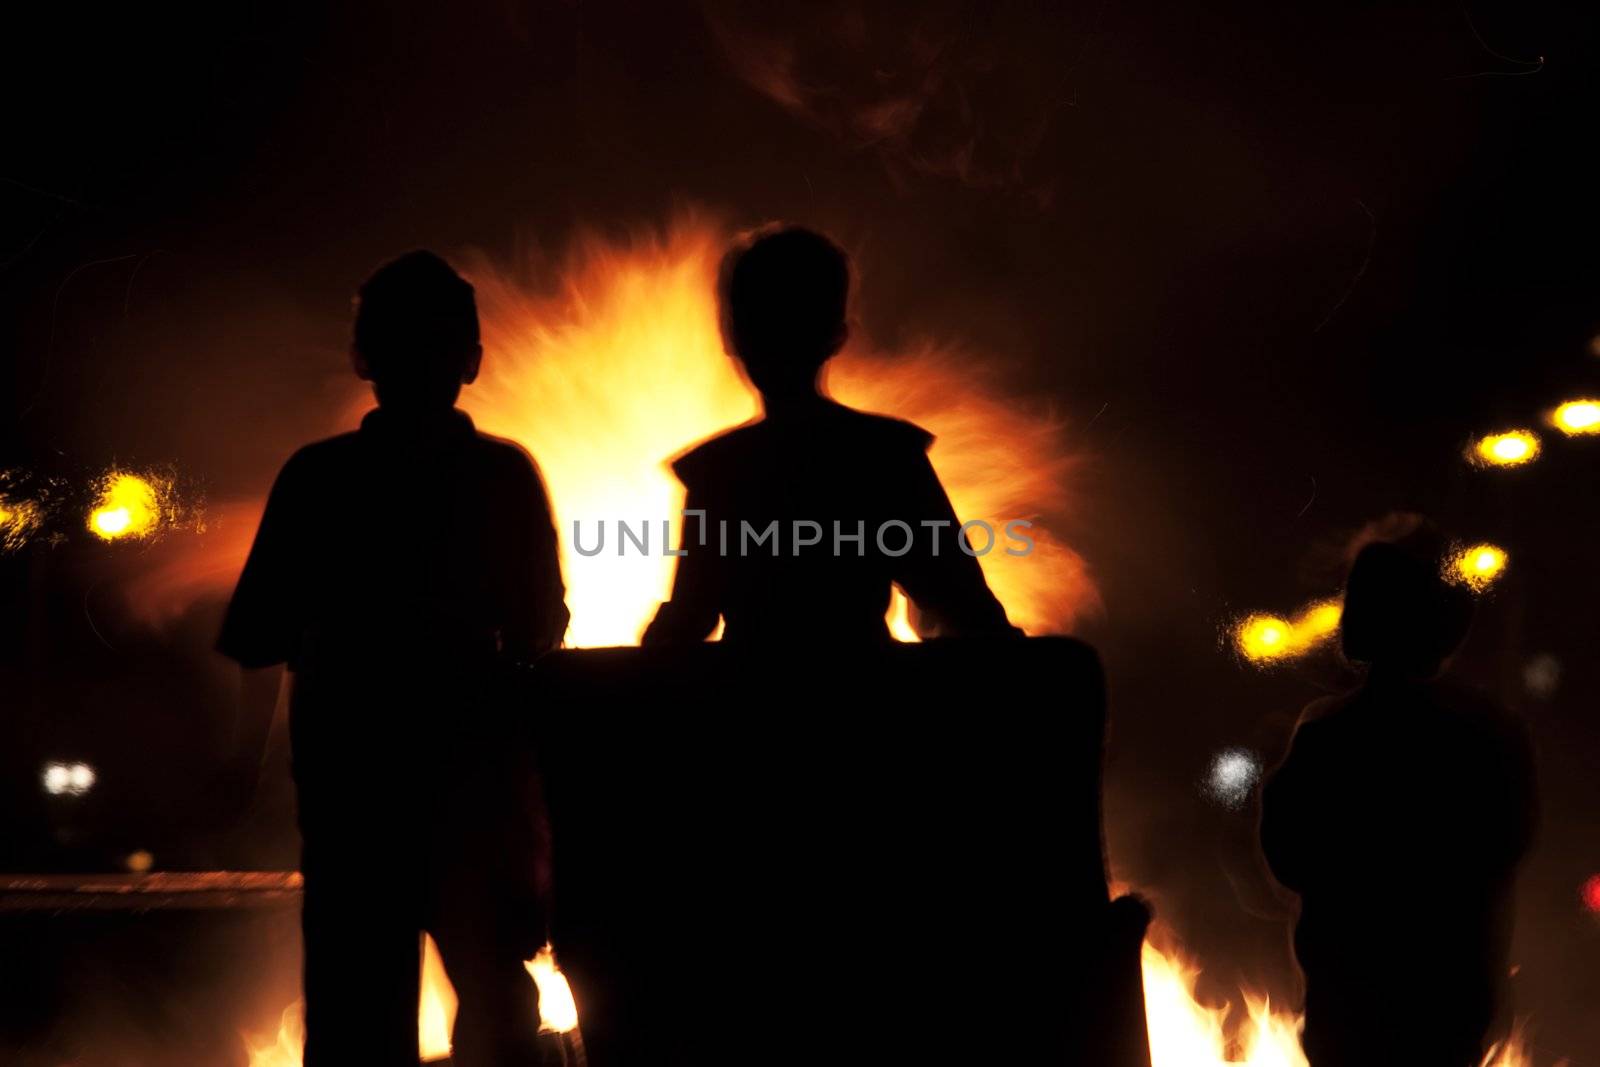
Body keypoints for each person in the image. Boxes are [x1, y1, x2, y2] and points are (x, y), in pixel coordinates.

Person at [217, 250, 569, 1066]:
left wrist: (240, 768)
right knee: (496, 999)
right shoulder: (502, 475)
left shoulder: (318, 477)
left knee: (353, 1008)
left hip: (352, 783)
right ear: (472, 362)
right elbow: (541, 631)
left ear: (360, 357)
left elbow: (261, 638)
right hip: (474, 779)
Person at [642, 225, 1018, 645]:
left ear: (733, 336)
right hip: (864, 693)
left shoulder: (719, 471)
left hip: (747, 700)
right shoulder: (886, 456)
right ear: (837, 336)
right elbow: (960, 601)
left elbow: (689, 619)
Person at [1260, 525, 1536, 1067]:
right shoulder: (1490, 732)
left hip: (1348, 997)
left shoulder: (1328, 733)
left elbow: (1286, 857)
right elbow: (1506, 846)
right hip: (1449, 996)